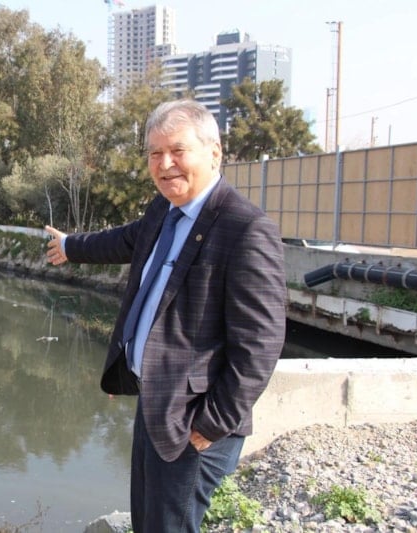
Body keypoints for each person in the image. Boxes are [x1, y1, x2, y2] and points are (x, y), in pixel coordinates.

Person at [44, 99, 286, 532]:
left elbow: (260, 346)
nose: (165, 164)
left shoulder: (245, 229)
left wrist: (212, 423)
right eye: (155, 153)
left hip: (194, 419)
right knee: (148, 522)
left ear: (214, 153)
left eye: (177, 150)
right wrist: (70, 246)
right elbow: (124, 240)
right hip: (157, 401)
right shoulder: (164, 211)